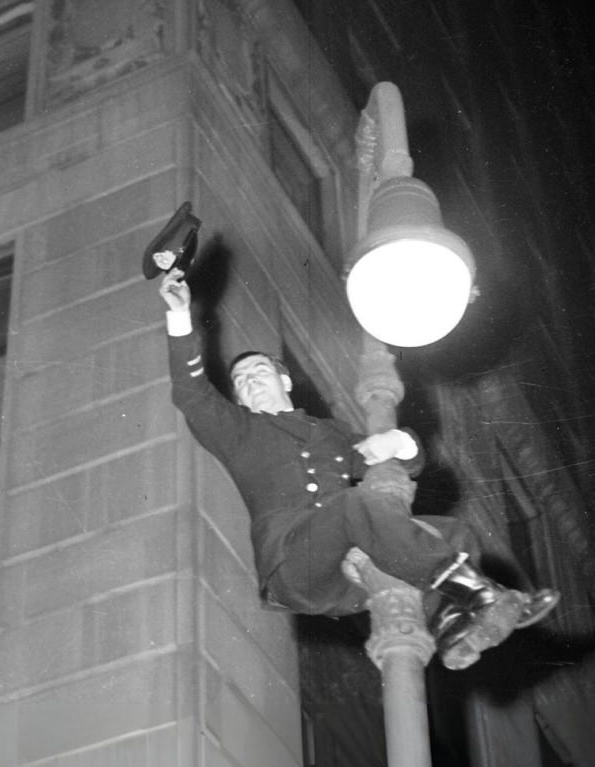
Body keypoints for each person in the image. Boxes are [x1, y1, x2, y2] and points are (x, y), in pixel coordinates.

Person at [154, 264, 558, 669]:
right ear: (239, 398)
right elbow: (192, 395)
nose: (251, 380)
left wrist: (398, 441)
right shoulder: (238, 432)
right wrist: (179, 316)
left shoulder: (330, 434)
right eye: (241, 379)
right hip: (296, 568)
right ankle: (476, 592)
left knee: (455, 531)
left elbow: (405, 463)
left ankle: (453, 628)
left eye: (260, 371)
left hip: (351, 575)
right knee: (353, 505)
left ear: (285, 382)